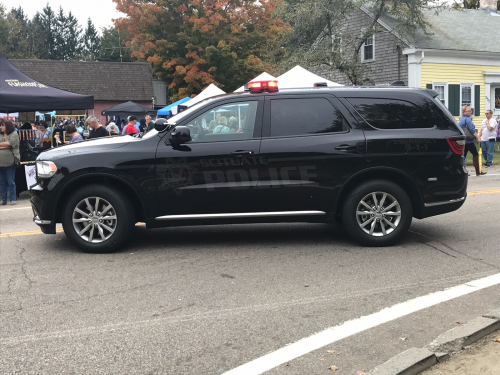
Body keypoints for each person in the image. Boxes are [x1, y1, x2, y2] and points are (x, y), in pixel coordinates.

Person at [459, 105, 486, 176]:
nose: (469, 112)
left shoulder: (461, 119)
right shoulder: (467, 119)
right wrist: (478, 137)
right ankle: (478, 171)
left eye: (470, 111)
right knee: (475, 154)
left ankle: (462, 171)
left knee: (463, 155)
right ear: (464, 111)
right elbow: (472, 129)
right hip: (469, 141)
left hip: (464, 140)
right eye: (468, 111)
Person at [0, 120, 20, 205]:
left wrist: (4, 145)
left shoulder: (14, 134)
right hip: (1, 164)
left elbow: (10, 144)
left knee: (11, 181)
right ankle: (3, 199)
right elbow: (7, 145)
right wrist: (5, 146)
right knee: (2, 182)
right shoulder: (0, 135)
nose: (1, 127)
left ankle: (12, 198)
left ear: (7, 126)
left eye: (2, 125)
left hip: (10, 163)